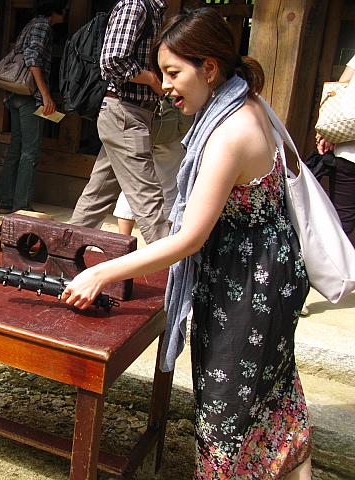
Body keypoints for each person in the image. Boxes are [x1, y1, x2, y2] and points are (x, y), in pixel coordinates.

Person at [62, 8, 312, 479]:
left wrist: (102, 271)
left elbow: (190, 238)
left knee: (226, 410)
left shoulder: (230, 133)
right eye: (162, 73)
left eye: (174, 73)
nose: (166, 85)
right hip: (261, 272)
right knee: (272, 395)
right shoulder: (246, 104)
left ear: (209, 68)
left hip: (250, 286)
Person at [69, 0, 169, 244]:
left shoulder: (154, 9)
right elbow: (112, 60)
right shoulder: (136, 5)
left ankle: (63, 250)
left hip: (130, 113)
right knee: (147, 197)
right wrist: (153, 80)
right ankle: (173, 263)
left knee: (97, 195)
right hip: (125, 112)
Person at [0, 0, 67, 215]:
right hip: (29, 96)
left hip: (15, 93)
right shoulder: (43, 26)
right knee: (30, 151)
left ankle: (5, 202)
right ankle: (22, 205)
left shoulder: (31, 24)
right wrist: (45, 95)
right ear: (55, 9)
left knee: (15, 148)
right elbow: (33, 59)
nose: (66, 13)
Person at [114, 97, 190, 236]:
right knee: (169, 182)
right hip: (172, 127)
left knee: (133, 181)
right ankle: (164, 239)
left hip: (140, 121)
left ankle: (122, 238)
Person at [316, 53, 355, 247]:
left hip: (349, 152)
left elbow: (340, 87)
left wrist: (330, 132)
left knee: (340, 225)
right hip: (348, 154)